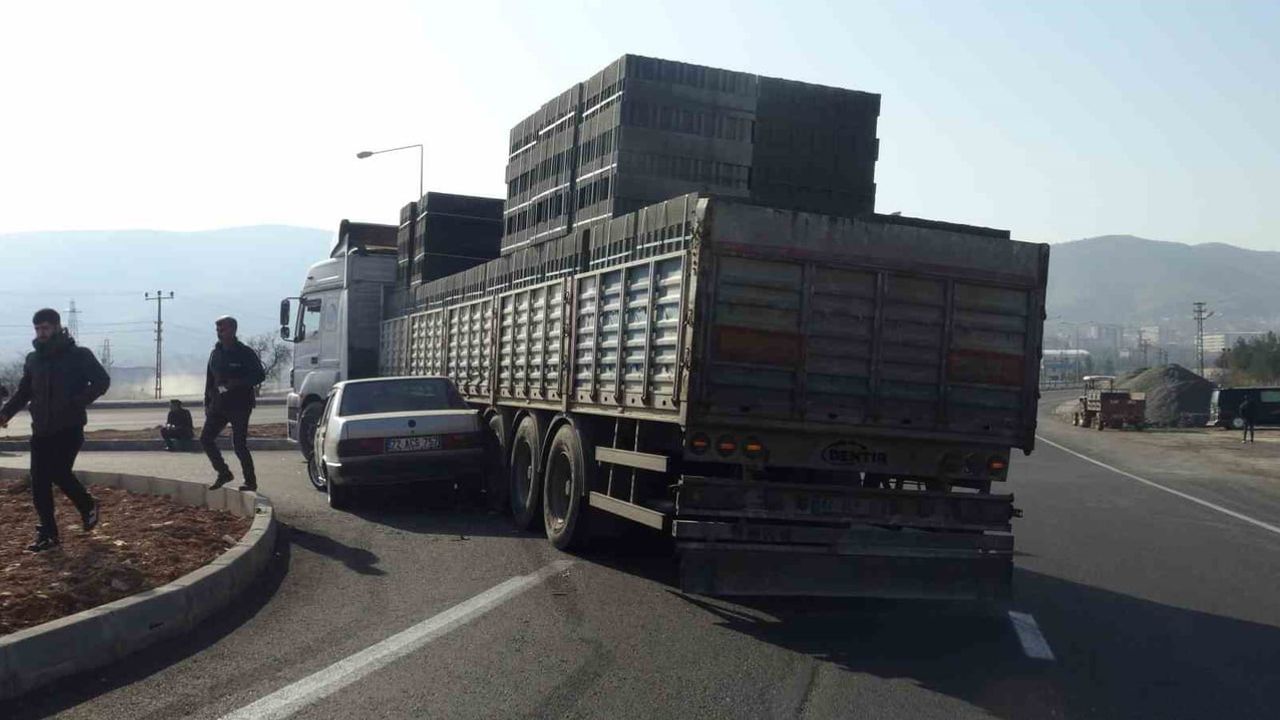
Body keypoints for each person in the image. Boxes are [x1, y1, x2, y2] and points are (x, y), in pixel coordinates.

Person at [0, 308, 110, 552]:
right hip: (41, 429)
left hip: (69, 427)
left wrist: (78, 401)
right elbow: (24, 392)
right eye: (38, 329)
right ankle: (48, 535)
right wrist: (6, 413)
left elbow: (102, 381)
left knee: (59, 472)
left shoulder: (78, 355)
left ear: (57, 327)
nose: (41, 333)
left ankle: (87, 505)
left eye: (46, 328)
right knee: (39, 481)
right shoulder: (33, 360)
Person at [202, 316, 265, 491]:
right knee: (206, 439)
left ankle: (250, 481)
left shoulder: (244, 352)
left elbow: (259, 375)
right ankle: (223, 473)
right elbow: (210, 379)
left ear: (233, 330)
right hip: (218, 405)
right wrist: (207, 402)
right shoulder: (216, 353)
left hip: (240, 405)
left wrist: (237, 382)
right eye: (217, 330)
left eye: (222, 329)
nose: (219, 333)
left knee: (239, 444)